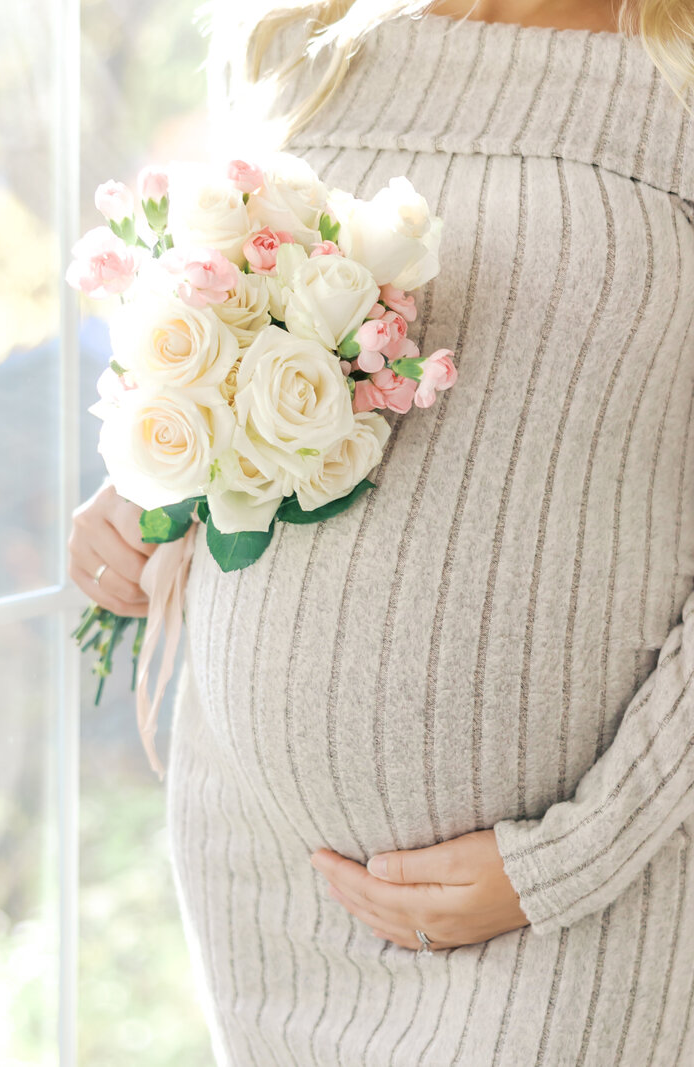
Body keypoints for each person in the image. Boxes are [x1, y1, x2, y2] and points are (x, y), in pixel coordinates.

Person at [69, 1, 694, 1062]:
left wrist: (571, 856)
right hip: (265, 885)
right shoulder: (302, 43)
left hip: (592, 901)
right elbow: (260, 345)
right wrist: (142, 485)